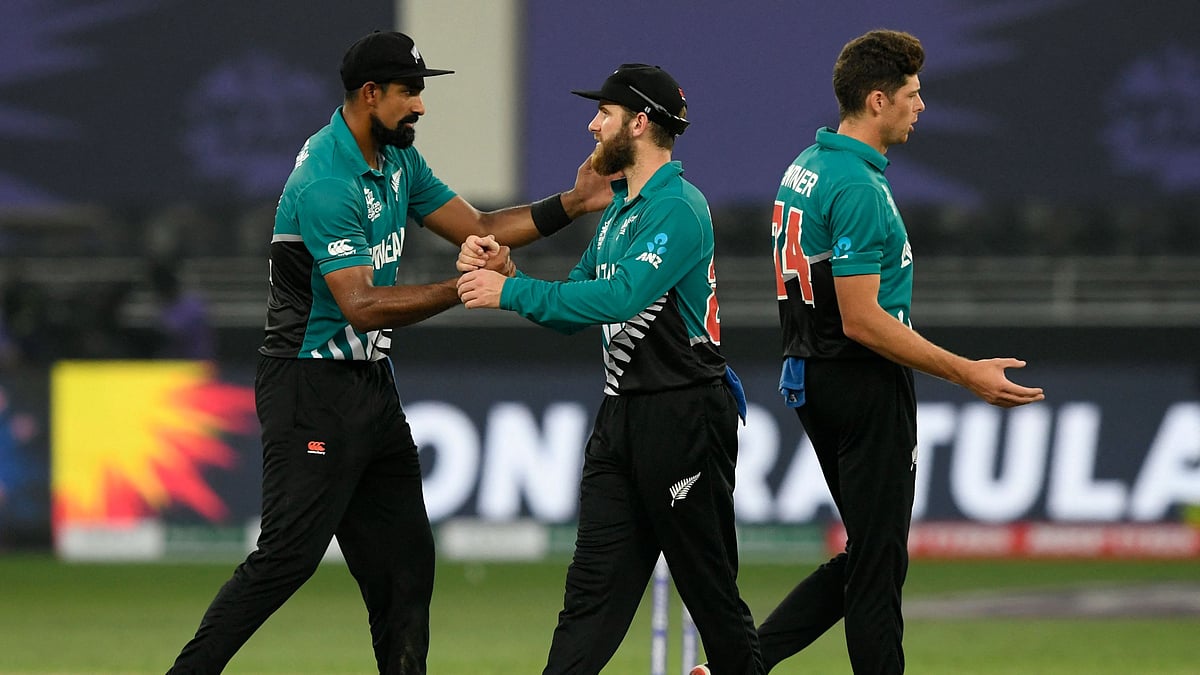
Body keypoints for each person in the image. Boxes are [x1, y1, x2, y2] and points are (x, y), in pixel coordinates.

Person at [166, 30, 613, 675]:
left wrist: (574, 203)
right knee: (287, 557)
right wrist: (467, 288)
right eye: (410, 93)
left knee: (407, 569)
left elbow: (481, 228)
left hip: (370, 387)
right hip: (309, 387)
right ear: (370, 94)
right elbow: (362, 305)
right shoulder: (327, 178)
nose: (422, 107)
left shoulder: (397, 161)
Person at [752, 30, 1045, 673]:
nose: (922, 106)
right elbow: (862, 320)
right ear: (878, 101)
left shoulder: (807, 164)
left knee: (870, 553)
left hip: (810, 374)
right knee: (880, 566)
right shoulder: (856, 187)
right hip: (860, 383)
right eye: (913, 95)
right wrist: (967, 372)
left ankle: (739, 664)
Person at [457, 63, 763, 675]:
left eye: (605, 113)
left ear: (640, 122)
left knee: (711, 597)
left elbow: (621, 299)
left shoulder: (678, 207)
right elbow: (577, 304)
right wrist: (511, 273)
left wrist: (506, 295)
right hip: (621, 416)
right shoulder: (621, 211)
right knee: (590, 598)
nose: (592, 124)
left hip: (686, 416)